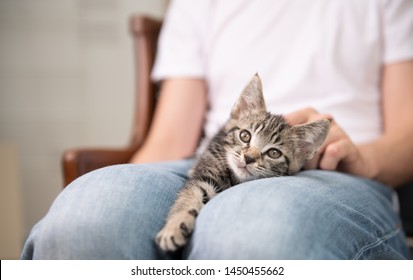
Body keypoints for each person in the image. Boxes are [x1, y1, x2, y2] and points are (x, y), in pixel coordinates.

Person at [21, 0, 413, 259]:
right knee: (88, 213)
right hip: (208, 156)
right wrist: (125, 188)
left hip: (333, 170)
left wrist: (363, 160)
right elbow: (168, 140)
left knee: (252, 230)